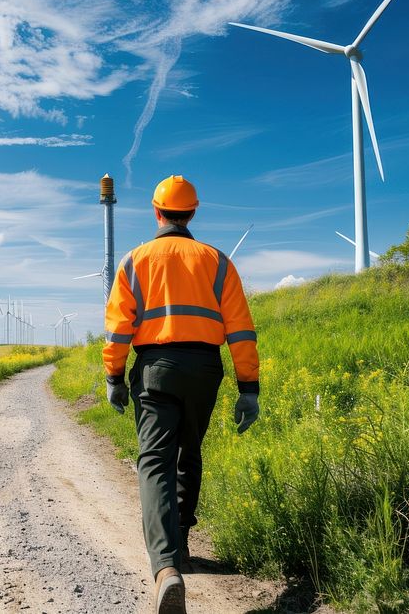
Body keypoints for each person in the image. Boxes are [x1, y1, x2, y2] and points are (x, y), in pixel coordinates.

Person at [103, 175, 260, 614]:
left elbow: (118, 329)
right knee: (189, 453)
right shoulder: (218, 261)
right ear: (192, 213)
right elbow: (242, 330)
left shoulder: (135, 261)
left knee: (155, 460)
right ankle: (183, 546)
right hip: (205, 367)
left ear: (156, 211)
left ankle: (166, 567)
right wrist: (249, 388)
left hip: (154, 369)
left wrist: (114, 376)